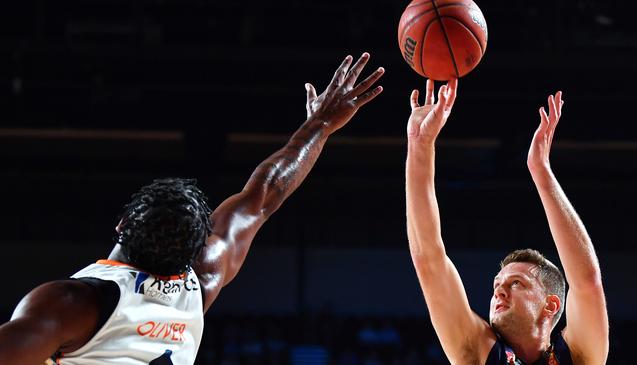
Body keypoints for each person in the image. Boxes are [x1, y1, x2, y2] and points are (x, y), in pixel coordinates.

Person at [0, 52, 385, 365]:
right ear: (195, 249)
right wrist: (320, 124)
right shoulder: (202, 278)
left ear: (122, 225)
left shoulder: (72, 303)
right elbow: (265, 194)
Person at [405, 79, 608, 364]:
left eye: (516, 284)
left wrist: (542, 173)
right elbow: (429, 260)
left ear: (550, 305)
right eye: (498, 283)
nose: (498, 290)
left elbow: (587, 282)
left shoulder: (578, 356)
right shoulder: (477, 351)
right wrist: (420, 144)